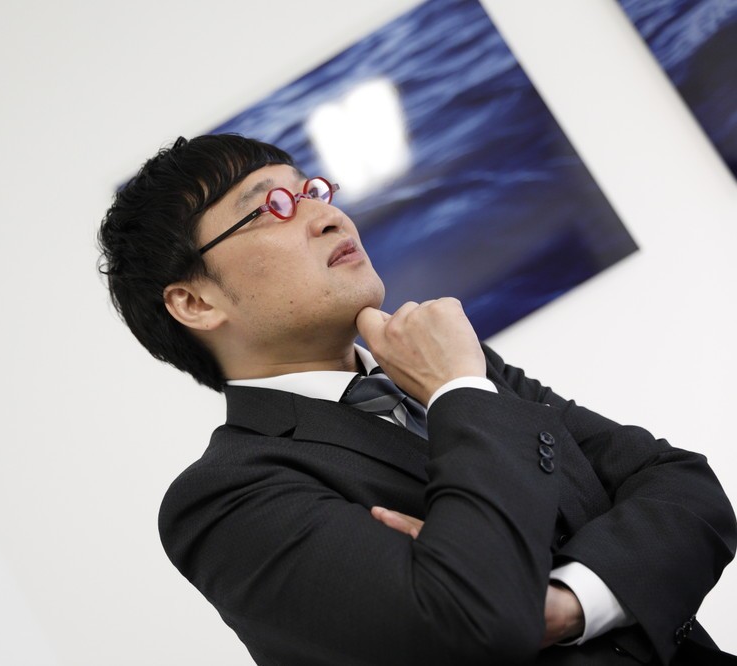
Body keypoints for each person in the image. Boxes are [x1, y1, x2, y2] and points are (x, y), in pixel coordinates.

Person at [97, 134, 737, 665]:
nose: (329, 215)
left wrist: (565, 604)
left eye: (312, 190)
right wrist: (458, 392)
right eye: (273, 207)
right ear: (195, 302)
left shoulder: (465, 367)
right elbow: (470, 621)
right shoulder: (224, 501)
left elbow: (688, 489)